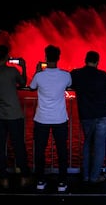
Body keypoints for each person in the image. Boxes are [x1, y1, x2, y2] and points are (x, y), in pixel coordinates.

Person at [0, 44, 32, 189]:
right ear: (7, 57)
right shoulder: (13, 71)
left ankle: (3, 178)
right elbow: (23, 83)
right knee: (18, 145)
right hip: (14, 114)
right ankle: (24, 176)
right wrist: (24, 67)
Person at [29, 44, 72, 192]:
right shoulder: (66, 75)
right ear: (59, 58)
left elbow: (32, 87)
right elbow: (69, 85)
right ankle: (62, 182)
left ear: (45, 57)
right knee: (62, 151)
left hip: (42, 119)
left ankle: (40, 180)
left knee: (40, 151)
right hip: (60, 119)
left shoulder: (39, 76)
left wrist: (37, 71)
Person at [70, 50, 106, 185]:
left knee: (87, 144)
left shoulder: (76, 74)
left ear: (85, 60)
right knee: (99, 146)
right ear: (97, 62)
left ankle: (86, 176)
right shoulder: (103, 75)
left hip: (86, 114)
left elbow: (69, 84)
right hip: (101, 114)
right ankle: (94, 176)